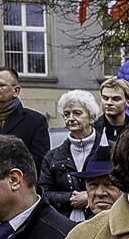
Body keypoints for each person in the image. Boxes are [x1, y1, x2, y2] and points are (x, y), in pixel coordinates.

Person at [38, 90, 107, 222]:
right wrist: (70, 198)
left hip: (102, 220)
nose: (70, 118)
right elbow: (43, 193)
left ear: (92, 117)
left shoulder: (110, 150)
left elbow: (122, 188)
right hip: (63, 222)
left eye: (77, 113)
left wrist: (89, 197)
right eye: (66, 114)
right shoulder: (53, 156)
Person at [96, 78, 129, 143]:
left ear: (127, 102)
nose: (109, 103)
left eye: (116, 99)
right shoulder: (92, 129)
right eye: (105, 98)